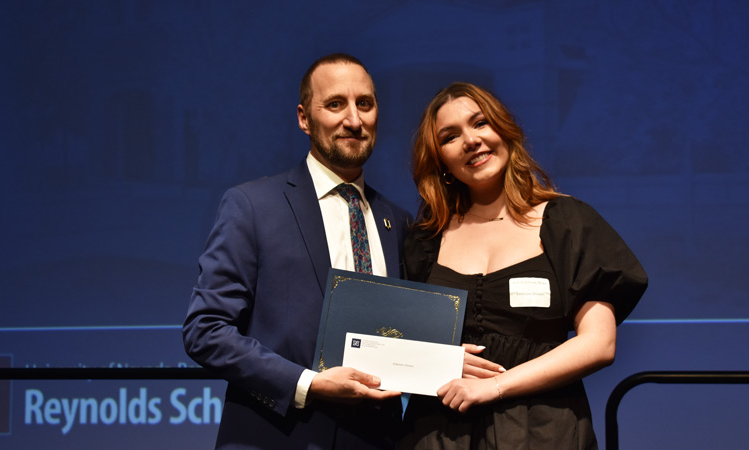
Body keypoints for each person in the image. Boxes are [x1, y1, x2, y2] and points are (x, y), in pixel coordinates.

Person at [398, 82, 648, 450]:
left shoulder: (567, 222)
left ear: (504, 130)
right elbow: (394, 343)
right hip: (438, 433)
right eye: (450, 137)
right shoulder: (424, 241)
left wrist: (494, 387)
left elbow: (599, 344)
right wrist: (433, 360)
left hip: (543, 432)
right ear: (442, 162)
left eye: (480, 123)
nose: (470, 140)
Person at [183, 53, 412, 450]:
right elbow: (206, 331)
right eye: (335, 104)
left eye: (365, 104)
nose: (354, 120)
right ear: (304, 118)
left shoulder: (400, 221)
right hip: (276, 436)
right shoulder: (252, 206)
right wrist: (310, 384)